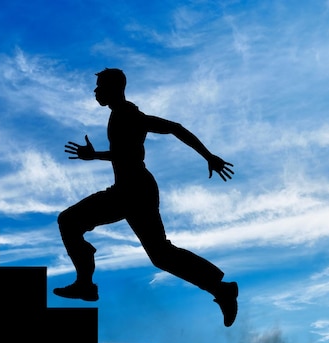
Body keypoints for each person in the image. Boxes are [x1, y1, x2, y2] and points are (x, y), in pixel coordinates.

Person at [54, 68, 238, 327]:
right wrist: (95, 156)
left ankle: (85, 284)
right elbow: (125, 152)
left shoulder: (128, 114)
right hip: (129, 190)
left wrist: (208, 156)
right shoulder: (120, 115)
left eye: (100, 87)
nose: (95, 91)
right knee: (160, 254)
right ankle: (221, 289)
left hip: (134, 190)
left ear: (114, 88)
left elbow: (174, 128)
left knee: (69, 221)